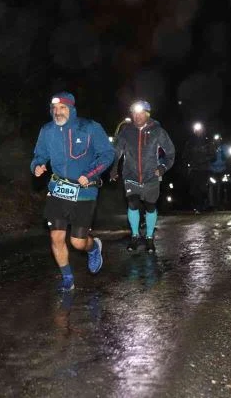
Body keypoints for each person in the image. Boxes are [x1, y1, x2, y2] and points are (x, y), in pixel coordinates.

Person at [31, 92, 114, 292]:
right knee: (56, 237)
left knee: (77, 242)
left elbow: (108, 154)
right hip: (58, 189)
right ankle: (67, 277)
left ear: (72, 109)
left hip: (84, 191)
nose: (57, 112)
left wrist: (91, 173)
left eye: (62, 108)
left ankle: (93, 247)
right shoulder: (47, 130)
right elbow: (39, 155)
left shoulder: (89, 128)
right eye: (54, 109)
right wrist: (37, 165)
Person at [109, 100, 175, 253]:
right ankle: (135, 235)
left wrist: (162, 167)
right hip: (130, 176)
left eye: (141, 113)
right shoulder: (126, 131)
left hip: (151, 176)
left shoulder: (158, 131)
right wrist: (113, 168)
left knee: (150, 207)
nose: (137, 117)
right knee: (132, 204)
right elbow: (116, 152)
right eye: (134, 114)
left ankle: (150, 238)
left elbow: (170, 154)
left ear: (147, 114)